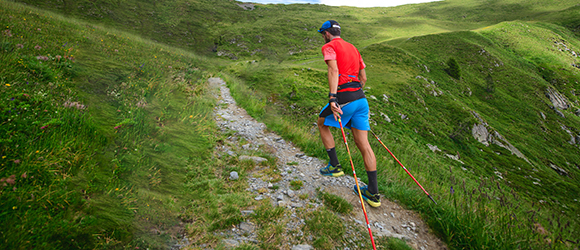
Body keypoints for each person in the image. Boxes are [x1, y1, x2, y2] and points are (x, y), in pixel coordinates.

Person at [316, 20, 381, 207]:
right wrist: (356, 93)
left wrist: (333, 98)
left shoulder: (329, 47)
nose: (322, 37)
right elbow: (363, 77)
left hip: (344, 97)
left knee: (322, 123)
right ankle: (373, 193)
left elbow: (333, 69)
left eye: (322, 34)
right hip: (361, 100)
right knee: (364, 145)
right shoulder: (354, 48)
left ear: (327, 33)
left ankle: (335, 166)